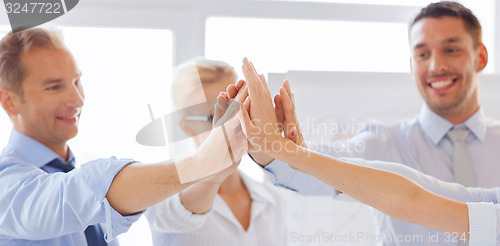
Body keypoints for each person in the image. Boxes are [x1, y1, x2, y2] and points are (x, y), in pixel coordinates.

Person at [246, 1, 495, 245]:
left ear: (480, 57)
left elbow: (411, 198)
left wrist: (293, 154)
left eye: (451, 50)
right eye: (422, 54)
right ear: (411, 65)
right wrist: (273, 150)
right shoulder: (383, 141)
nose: (436, 66)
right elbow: (326, 173)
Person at [0, 29, 247, 245]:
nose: (77, 100)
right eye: (54, 87)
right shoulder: (7, 185)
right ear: (10, 101)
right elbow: (74, 195)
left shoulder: (72, 171)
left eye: (77, 82)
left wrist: (212, 168)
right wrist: (203, 161)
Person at [145, 58, 291, 246]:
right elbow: (178, 215)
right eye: (213, 116)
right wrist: (216, 169)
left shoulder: (274, 201)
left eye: (236, 109)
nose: (231, 123)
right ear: (186, 127)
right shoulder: (162, 193)